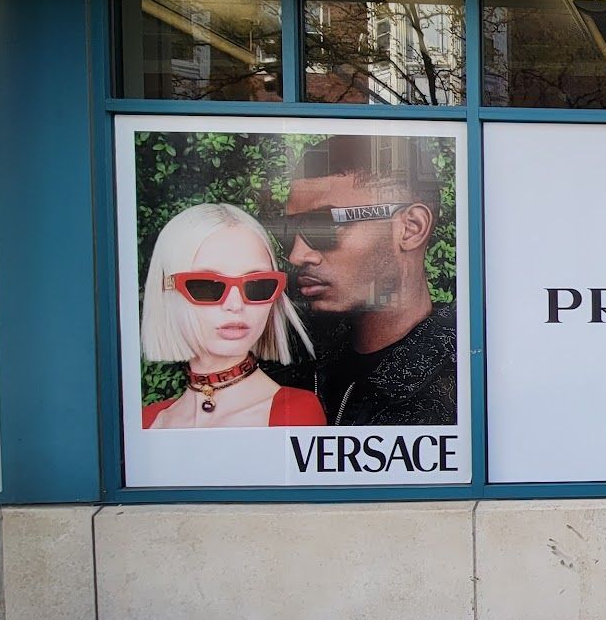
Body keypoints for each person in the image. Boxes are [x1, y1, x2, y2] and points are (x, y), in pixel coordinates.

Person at [266, 158, 456, 426]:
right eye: (287, 231)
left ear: (410, 228)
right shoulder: (292, 360)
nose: (297, 255)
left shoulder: (468, 380)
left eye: (324, 226)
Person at [140, 203, 324, 429]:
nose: (236, 305)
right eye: (206, 286)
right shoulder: (146, 421)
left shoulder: (295, 413)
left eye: (258, 285)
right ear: (165, 291)